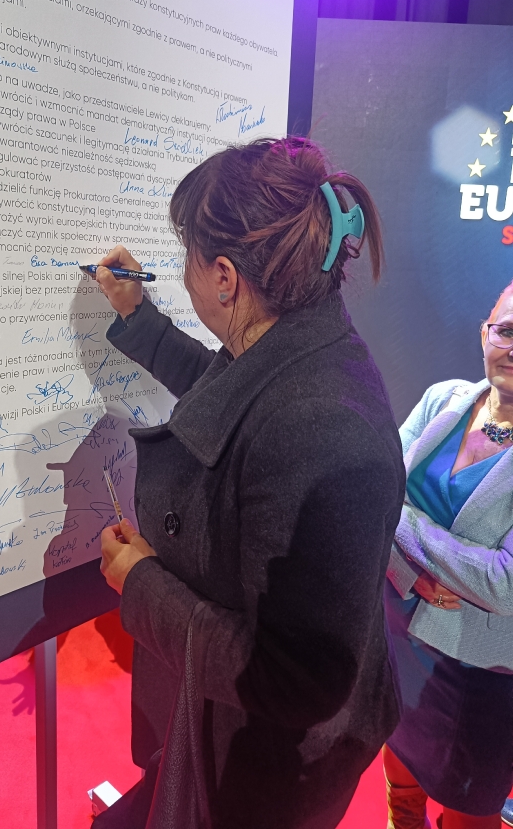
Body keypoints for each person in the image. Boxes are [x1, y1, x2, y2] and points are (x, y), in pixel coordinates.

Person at [93, 138, 405, 829]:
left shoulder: (320, 429)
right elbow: (232, 396)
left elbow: (295, 679)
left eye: (188, 256)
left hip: (268, 770)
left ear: (225, 278)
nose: (184, 273)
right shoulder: (298, 345)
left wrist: (141, 584)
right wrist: (139, 319)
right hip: (250, 737)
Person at [384, 282, 513, 829]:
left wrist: (408, 527)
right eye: (507, 330)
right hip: (397, 631)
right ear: (484, 334)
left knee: (469, 810)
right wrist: (408, 572)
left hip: (480, 672)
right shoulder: (443, 399)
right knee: (399, 761)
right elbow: (376, 491)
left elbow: (504, 584)